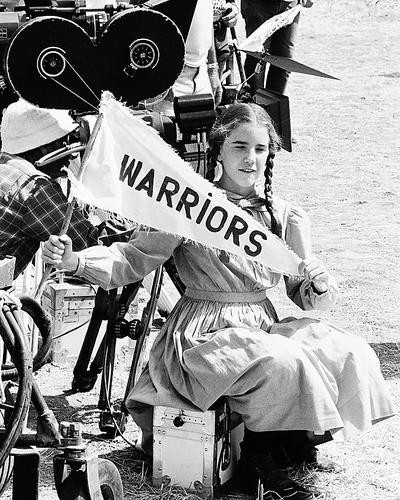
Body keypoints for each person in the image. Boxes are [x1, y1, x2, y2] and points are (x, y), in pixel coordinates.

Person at [42, 102, 395, 499]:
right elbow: (132, 258)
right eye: (239, 147)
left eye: (260, 149)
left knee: (343, 349)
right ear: (219, 151)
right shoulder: (191, 209)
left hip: (260, 320)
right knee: (280, 360)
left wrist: (318, 284)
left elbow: (302, 296)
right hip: (201, 332)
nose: (250, 158)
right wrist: (75, 259)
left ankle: (293, 441)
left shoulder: (283, 216)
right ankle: (256, 464)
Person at [0, 98, 131, 279]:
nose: (72, 156)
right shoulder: (32, 187)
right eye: (66, 143)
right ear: (45, 147)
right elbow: (90, 243)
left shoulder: (6, 167)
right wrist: (145, 219)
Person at [241, 0, 314, 95]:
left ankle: (274, 107)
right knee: (257, 58)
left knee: (284, 61)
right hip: (258, 5)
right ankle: (256, 106)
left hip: (290, 4)